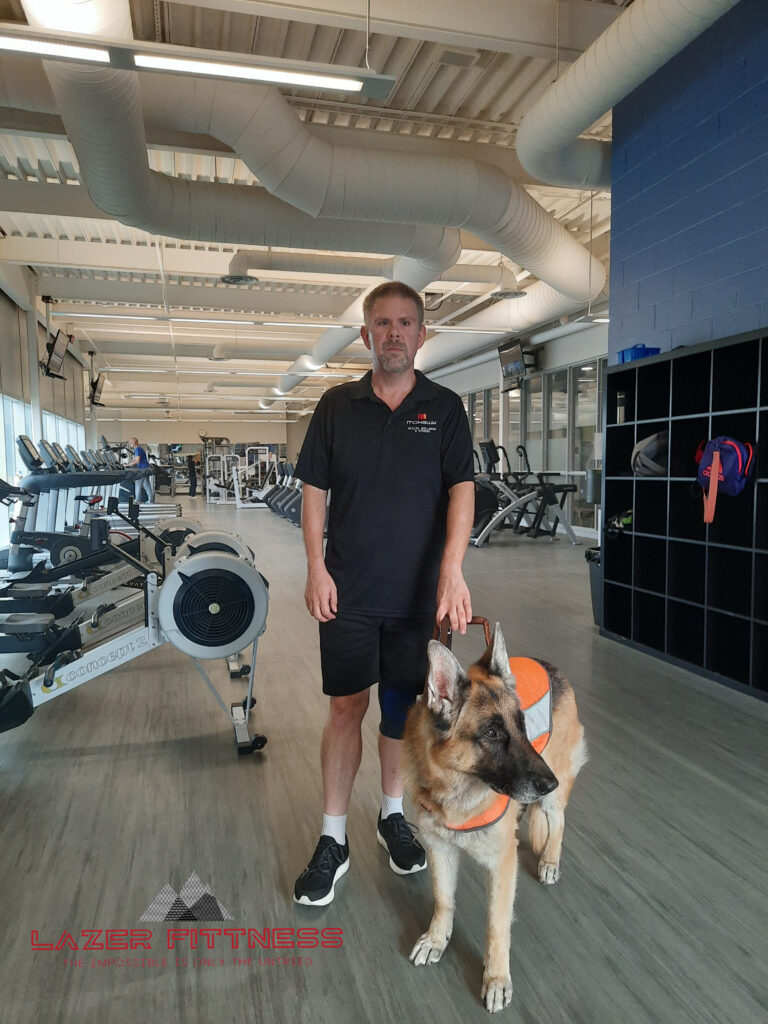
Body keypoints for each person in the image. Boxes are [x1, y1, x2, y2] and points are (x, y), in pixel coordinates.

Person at [293, 280, 475, 907]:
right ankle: (333, 836)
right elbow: (313, 492)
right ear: (366, 335)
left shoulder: (446, 409)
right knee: (347, 709)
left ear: (422, 336)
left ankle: (392, 814)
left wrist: (452, 571)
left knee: (402, 715)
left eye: (405, 323)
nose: (393, 332)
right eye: (382, 323)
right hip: (347, 592)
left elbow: (461, 492)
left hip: (416, 601)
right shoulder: (336, 407)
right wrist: (316, 568)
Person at [128, 437, 154, 503]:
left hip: (143, 469)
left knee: (138, 483)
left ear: (134, 443)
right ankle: (151, 500)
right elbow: (135, 459)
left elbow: (137, 461)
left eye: (131, 442)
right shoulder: (138, 449)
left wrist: (128, 465)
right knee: (147, 484)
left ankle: (137, 500)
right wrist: (128, 463)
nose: (130, 444)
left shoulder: (138, 449)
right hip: (145, 468)